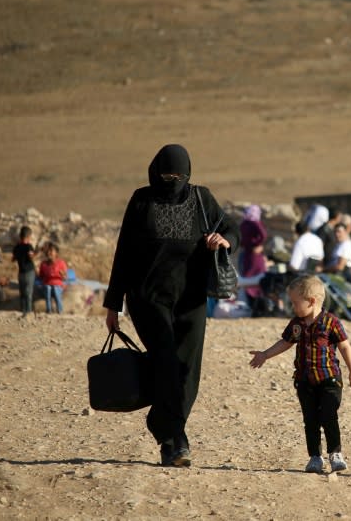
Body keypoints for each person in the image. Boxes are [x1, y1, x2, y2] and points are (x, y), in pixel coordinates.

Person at [103, 143, 239, 467]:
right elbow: (123, 255)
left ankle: (163, 423)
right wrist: (114, 306)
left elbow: (231, 227)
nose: (171, 181)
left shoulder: (201, 198)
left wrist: (225, 240)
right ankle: (173, 441)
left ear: (188, 174)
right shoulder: (141, 200)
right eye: (165, 175)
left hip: (192, 300)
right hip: (148, 298)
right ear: (154, 173)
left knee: (188, 370)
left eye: (177, 176)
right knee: (166, 364)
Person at [249, 275, 351, 473]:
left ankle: (335, 454)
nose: (292, 307)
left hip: (329, 380)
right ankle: (315, 457)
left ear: (312, 301)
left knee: (329, 415)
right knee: (310, 419)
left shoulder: (331, 322)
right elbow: (286, 342)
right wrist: (265, 354)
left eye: (295, 303)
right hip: (304, 381)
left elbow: (344, 346)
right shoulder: (296, 324)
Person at [12, 225, 37, 315]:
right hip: (29, 272)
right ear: (28, 236)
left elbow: (13, 259)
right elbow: (31, 256)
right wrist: (37, 252)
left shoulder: (16, 247)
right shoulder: (28, 246)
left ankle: (22, 311)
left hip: (21, 272)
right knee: (28, 293)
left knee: (22, 293)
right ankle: (29, 311)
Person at [38, 242, 68, 314]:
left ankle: (60, 310)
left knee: (55, 288)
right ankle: (49, 310)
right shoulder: (43, 264)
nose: (49, 253)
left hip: (57, 285)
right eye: (48, 251)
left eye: (51, 251)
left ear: (56, 253)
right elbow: (41, 276)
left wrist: (63, 275)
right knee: (48, 288)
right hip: (47, 285)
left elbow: (65, 278)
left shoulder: (61, 263)